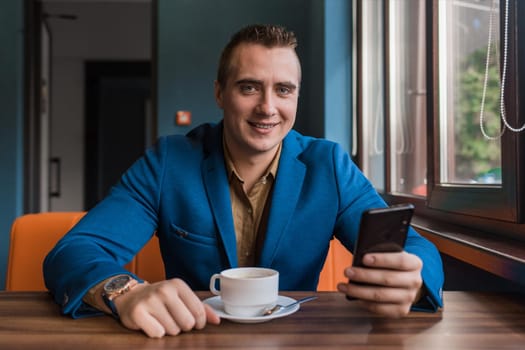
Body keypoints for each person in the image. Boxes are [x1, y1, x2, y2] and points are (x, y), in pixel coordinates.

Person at [44, 24, 444, 338]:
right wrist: (124, 293)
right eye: (249, 87)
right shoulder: (169, 161)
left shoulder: (330, 166)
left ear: (296, 97)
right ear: (220, 93)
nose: (267, 108)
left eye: (283, 90)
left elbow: (410, 247)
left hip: (297, 342)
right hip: (192, 338)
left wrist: (412, 278)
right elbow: (75, 250)